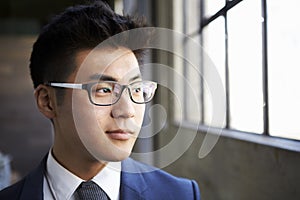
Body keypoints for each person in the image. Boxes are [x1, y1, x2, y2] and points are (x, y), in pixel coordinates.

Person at [0, 1, 200, 199]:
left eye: (136, 89)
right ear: (47, 101)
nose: (127, 110)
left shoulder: (179, 194)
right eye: (104, 90)